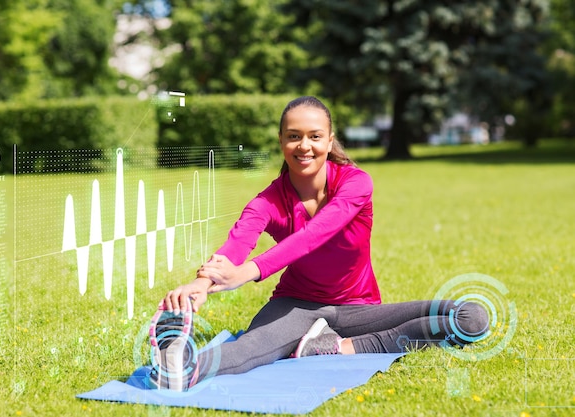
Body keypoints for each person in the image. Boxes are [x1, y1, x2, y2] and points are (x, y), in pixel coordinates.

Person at [151, 96, 490, 391]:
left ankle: (338, 346)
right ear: (282, 141)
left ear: (329, 141)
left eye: (314, 136)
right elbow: (236, 244)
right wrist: (201, 283)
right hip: (296, 304)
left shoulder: (356, 184)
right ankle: (179, 368)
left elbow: (313, 236)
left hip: (360, 308)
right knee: (253, 346)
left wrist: (247, 273)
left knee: (472, 318)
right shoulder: (267, 202)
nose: (304, 146)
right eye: (293, 136)